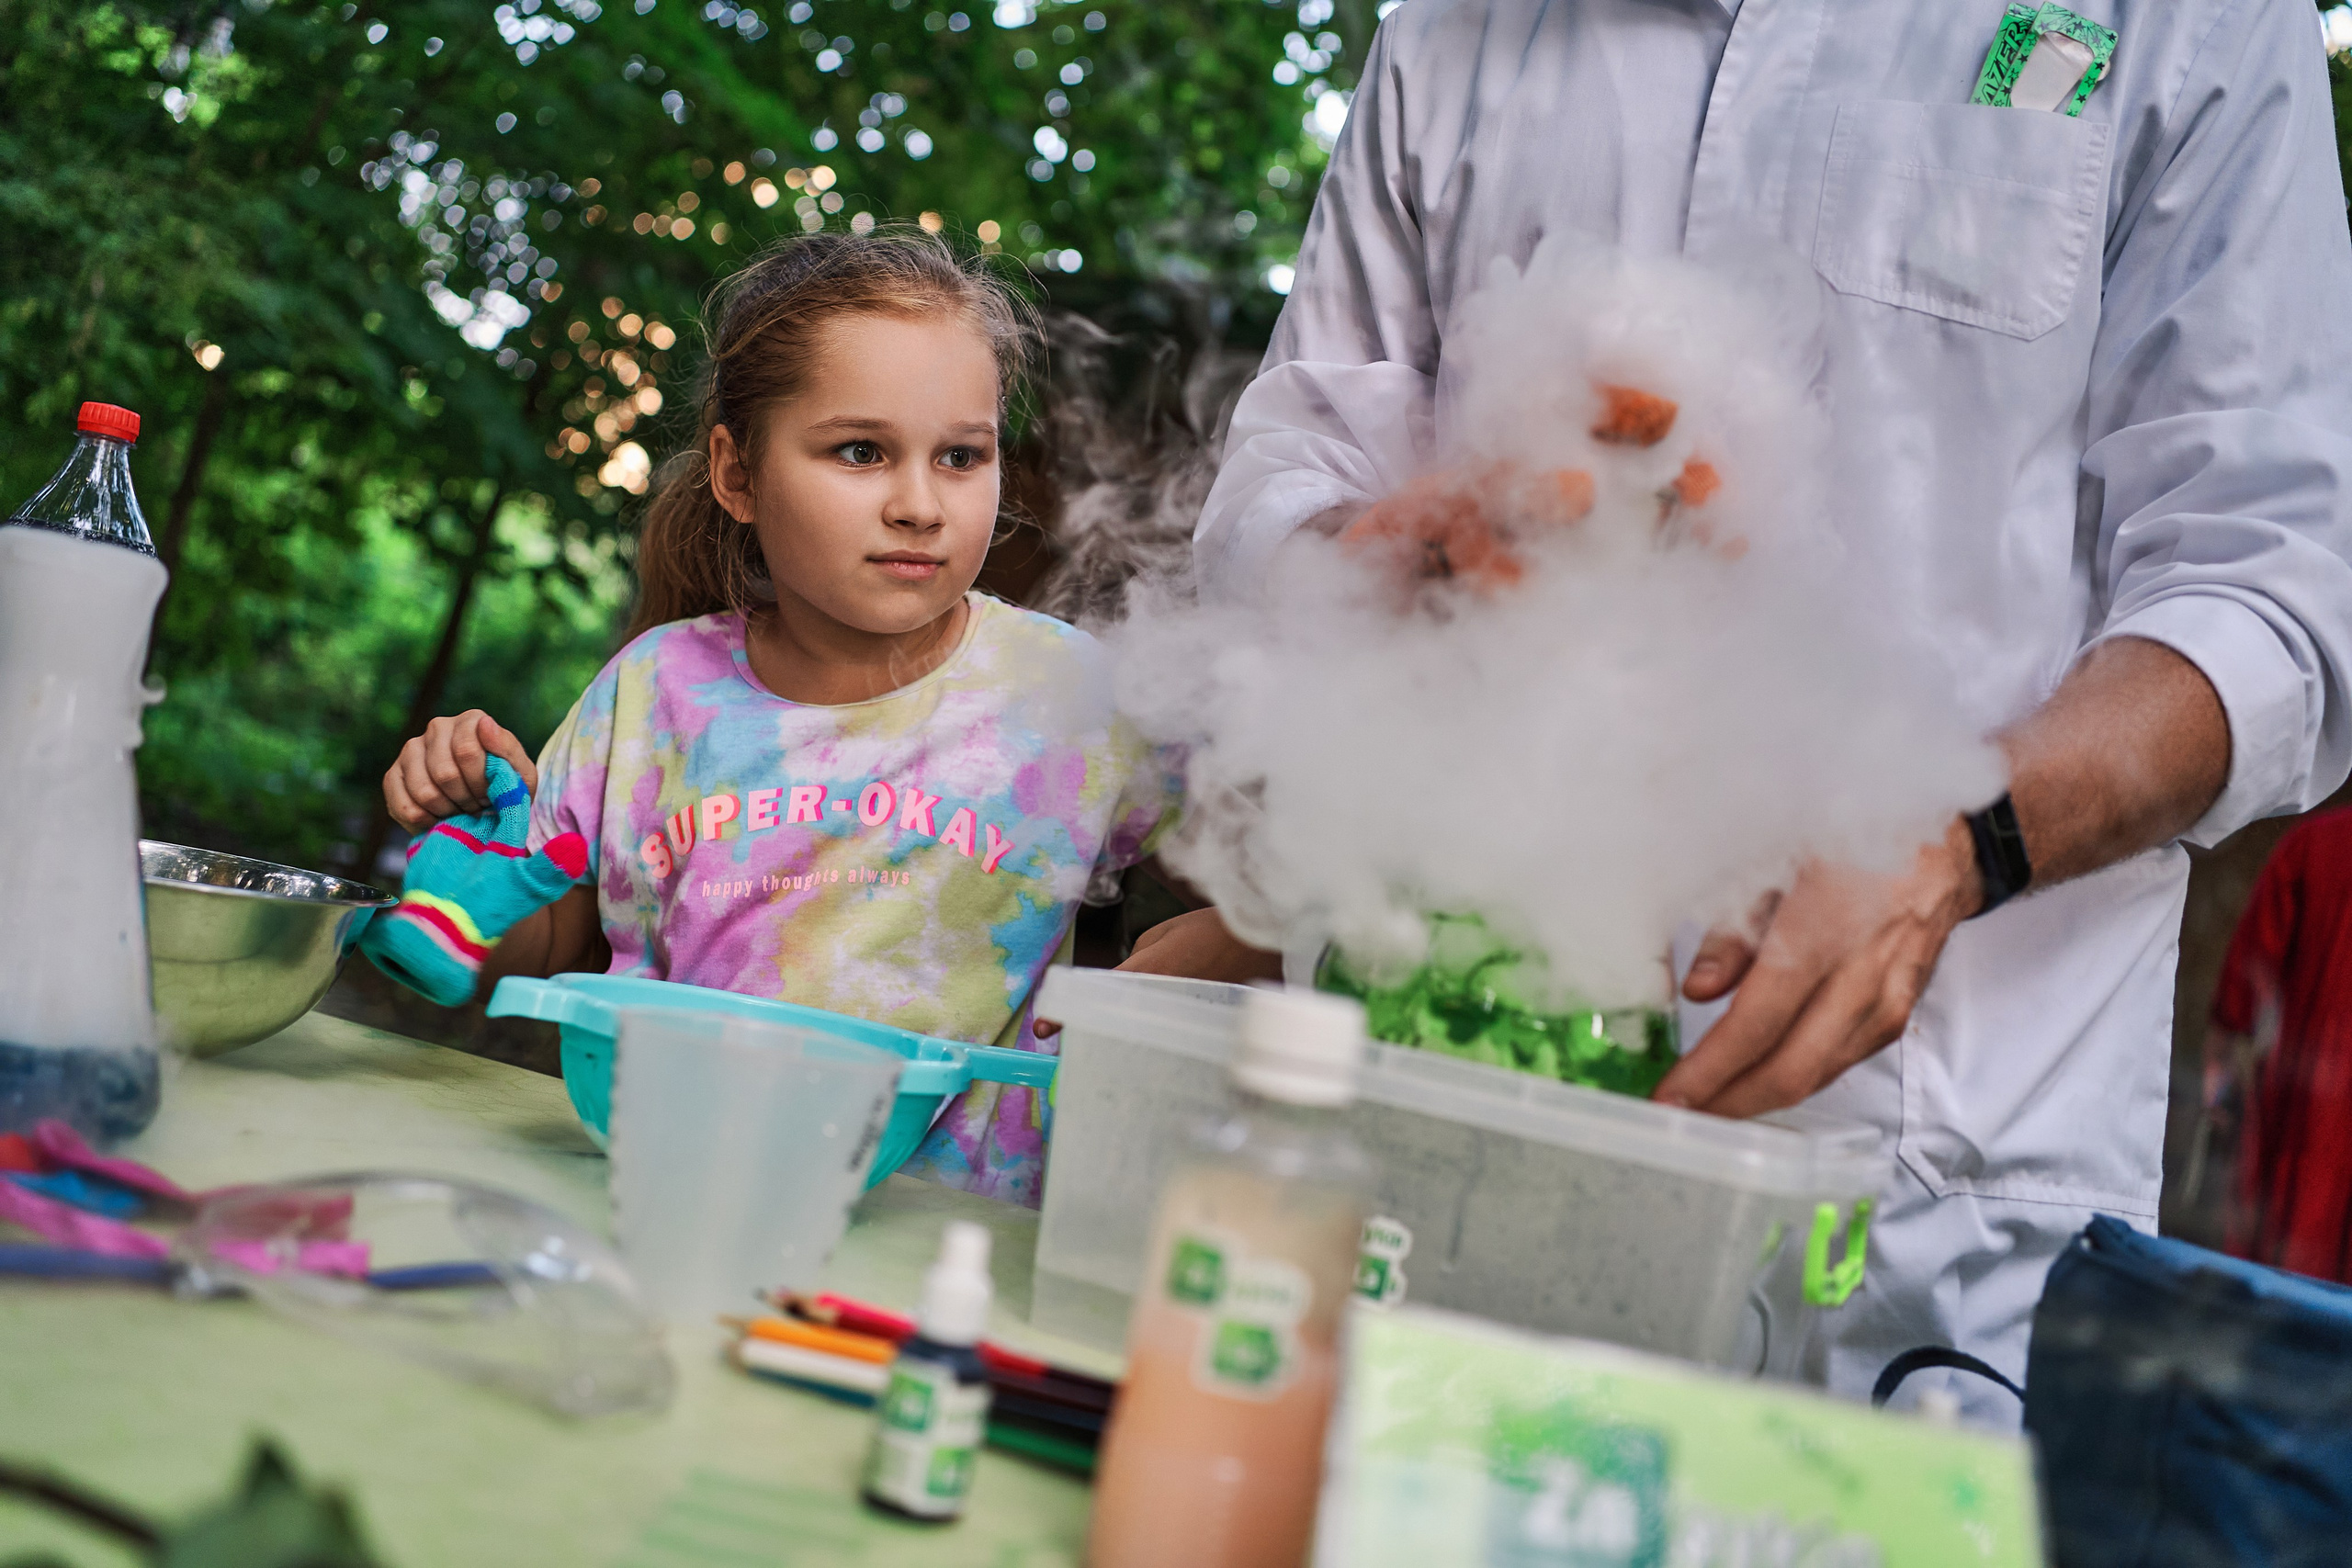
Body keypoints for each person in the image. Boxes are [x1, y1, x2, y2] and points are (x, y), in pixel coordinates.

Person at [1199, 1, 2352, 1418]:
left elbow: (2274, 589)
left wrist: (1963, 836)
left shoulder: (2194, 19)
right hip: (1433, 1102)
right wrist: (1374, 552)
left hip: (1917, 1192)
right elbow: (1294, 461)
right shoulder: (1456, 29)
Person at [382, 230, 1260, 1207]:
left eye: (961, 456)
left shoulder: (1074, 697)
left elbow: (1296, 895)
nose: (919, 504)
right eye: (860, 451)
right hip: (670, 1194)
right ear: (738, 474)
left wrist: (1241, 937)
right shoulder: (653, 692)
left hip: (948, 1239)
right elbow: (548, 946)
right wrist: (471, 880)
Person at [2206, 805, 2352, 1284]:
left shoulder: (2316, 845)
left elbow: (2237, 1003)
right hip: (2310, 1125)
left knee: (2282, 1298)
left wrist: (2220, 1095)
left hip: (2306, 1141)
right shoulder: (2313, 847)